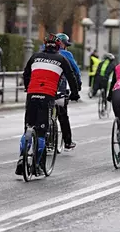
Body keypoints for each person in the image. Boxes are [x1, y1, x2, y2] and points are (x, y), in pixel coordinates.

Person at [16, 34, 80, 176]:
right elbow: (71, 76)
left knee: (29, 126)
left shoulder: (34, 56)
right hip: (47, 96)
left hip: (32, 94)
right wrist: (75, 93)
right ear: (58, 47)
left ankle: (22, 157)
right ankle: (38, 165)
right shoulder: (62, 58)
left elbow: (26, 74)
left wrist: (28, 87)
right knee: (41, 133)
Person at [56, 33, 82, 150]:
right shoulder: (66, 54)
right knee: (63, 116)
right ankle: (67, 142)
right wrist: (77, 88)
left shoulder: (43, 53)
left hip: (42, 90)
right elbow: (75, 72)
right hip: (59, 90)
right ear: (62, 44)